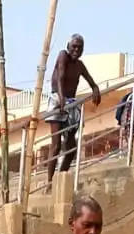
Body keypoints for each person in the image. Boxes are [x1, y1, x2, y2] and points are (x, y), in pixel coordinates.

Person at [49, 35, 101, 179]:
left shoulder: (80, 65)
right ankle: (49, 182)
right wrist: (61, 97)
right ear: (68, 45)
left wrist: (96, 90)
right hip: (57, 100)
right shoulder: (62, 55)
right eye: (74, 46)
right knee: (56, 145)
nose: (76, 49)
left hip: (71, 103)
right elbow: (60, 75)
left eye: (80, 47)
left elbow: (92, 82)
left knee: (71, 148)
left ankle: (60, 178)